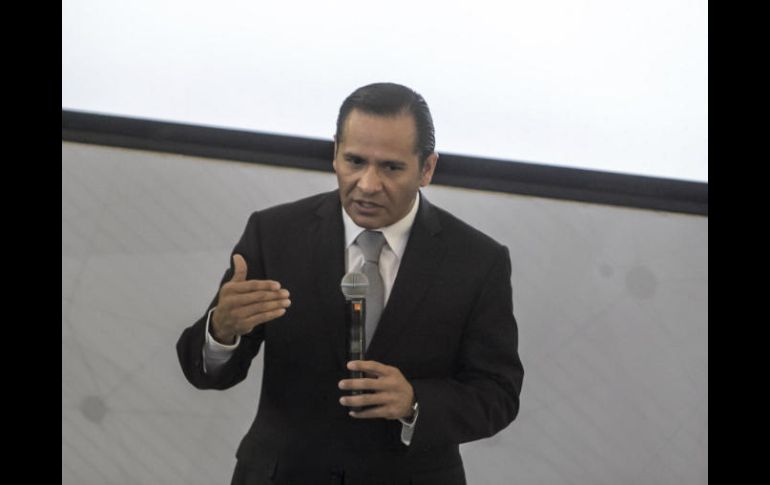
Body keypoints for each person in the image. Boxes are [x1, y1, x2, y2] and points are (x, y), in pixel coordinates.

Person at [176, 82, 524, 485]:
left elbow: (498, 394)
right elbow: (205, 372)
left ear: (426, 169)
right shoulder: (274, 234)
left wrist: (415, 402)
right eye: (355, 161)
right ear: (335, 154)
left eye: (391, 168)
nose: (368, 184)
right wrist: (221, 330)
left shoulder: (477, 261)